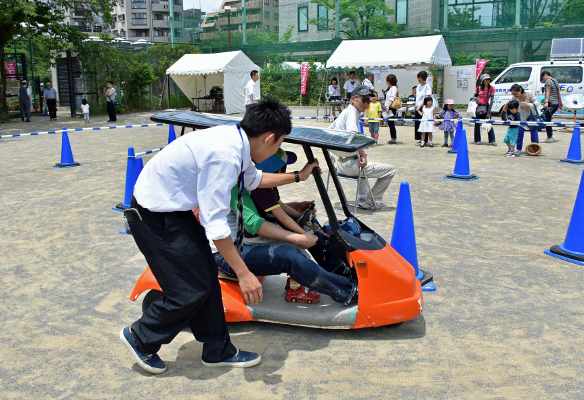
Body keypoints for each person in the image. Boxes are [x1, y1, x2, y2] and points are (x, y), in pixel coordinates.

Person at [119, 97, 320, 374]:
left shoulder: (238, 141)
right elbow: (215, 223)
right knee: (188, 289)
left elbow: (255, 180)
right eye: (280, 142)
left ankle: (217, 349)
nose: (278, 149)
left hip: (174, 210)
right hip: (153, 215)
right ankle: (140, 336)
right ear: (269, 138)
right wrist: (244, 273)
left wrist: (298, 176)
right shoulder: (224, 155)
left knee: (206, 281)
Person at [216, 150, 357, 305]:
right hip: (230, 253)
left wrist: (297, 213)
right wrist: (298, 237)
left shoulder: (250, 179)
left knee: (308, 229)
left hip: (244, 241)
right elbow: (254, 223)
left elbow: (271, 207)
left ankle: (338, 270)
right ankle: (346, 291)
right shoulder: (236, 181)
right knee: (291, 255)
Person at [329, 85, 396, 210]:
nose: (366, 103)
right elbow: (353, 135)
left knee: (363, 164)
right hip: (351, 165)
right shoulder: (351, 113)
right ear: (353, 99)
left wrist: (334, 154)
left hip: (343, 163)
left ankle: (363, 198)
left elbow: (329, 131)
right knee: (390, 170)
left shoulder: (345, 112)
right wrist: (363, 154)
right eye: (363, 100)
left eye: (368, 100)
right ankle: (371, 200)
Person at [504, 84, 540, 155]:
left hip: (531, 117)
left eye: (516, 93)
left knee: (534, 133)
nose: (514, 95)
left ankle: (536, 149)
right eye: (513, 94)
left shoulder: (529, 93)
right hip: (520, 118)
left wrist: (528, 105)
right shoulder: (514, 98)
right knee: (519, 133)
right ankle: (518, 149)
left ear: (520, 90)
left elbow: (537, 103)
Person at [473, 73, 497, 146]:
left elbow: (492, 100)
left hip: (486, 107)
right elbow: (474, 96)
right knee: (477, 124)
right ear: (483, 80)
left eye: (488, 79)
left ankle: (492, 140)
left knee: (489, 124)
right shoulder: (478, 88)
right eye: (486, 79)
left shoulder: (491, 88)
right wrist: (477, 99)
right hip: (479, 107)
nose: (487, 81)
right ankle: (477, 140)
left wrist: (489, 111)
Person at [541, 70, 562, 141]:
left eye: (543, 78)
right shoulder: (556, 81)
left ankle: (550, 136)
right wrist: (560, 102)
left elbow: (548, 92)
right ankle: (550, 135)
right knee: (548, 118)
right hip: (556, 103)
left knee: (546, 118)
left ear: (545, 75)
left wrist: (546, 102)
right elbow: (558, 93)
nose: (544, 79)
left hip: (551, 103)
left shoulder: (548, 81)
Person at [414, 71, 432, 144]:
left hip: (423, 107)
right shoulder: (418, 86)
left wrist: (420, 106)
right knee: (418, 123)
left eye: (420, 78)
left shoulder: (427, 86)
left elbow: (426, 98)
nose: (419, 79)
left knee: (424, 123)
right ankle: (420, 139)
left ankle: (425, 140)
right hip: (417, 106)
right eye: (418, 78)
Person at [383, 74, 399, 144]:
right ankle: (392, 138)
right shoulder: (390, 88)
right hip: (388, 107)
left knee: (391, 124)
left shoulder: (394, 88)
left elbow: (392, 98)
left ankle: (393, 139)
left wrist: (388, 106)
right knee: (390, 124)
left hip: (391, 108)